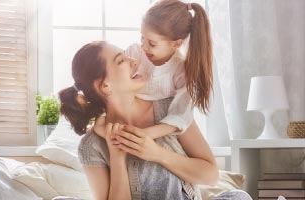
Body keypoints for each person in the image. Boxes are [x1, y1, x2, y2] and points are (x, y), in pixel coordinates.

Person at [58, 41, 252, 200]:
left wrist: (156, 153)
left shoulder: (170, 109)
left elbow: (210, 176)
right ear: (105, 86)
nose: (134, 61)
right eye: (121, 61)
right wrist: (117, 157)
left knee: (238, 197)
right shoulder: (91, 146)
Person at [94, 0, 213, 140]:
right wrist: (100, 117)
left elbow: (181, 113)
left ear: (176, 44)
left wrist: (148, 133)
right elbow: (113, 85)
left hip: (158, 130)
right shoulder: (134, 52)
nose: (143, 46)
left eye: (152, 43)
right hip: (125, 119)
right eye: (142, 37)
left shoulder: (181, 71)